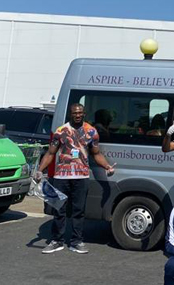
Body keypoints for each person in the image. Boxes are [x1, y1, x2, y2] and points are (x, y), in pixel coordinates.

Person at [35, 103, 115, 254]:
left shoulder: (91, 131)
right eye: (74, 113)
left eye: (80, 113)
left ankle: (76, 242)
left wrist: (107, 167)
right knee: (60, 209)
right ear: (70, 114)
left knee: (79, 211)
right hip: (61, 176)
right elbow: (51, 153)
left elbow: (96, 154)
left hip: (81, 176)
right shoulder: (61, 131)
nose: (77, 115)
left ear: (84, 114)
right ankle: (56, 241)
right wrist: (40, 170)